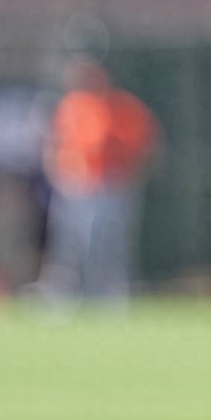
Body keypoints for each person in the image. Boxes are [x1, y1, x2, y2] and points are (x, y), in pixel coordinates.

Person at [35, 58, 159, 303]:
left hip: (109, 187)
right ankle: (62, 295)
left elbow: (147, 146)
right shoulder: (71, 106)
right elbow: (53, 146)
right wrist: (61, 176)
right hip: (74, 188)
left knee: (108, 245)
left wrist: (127, 177)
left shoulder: (121, 107)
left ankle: (109, 294)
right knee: (67, 245)